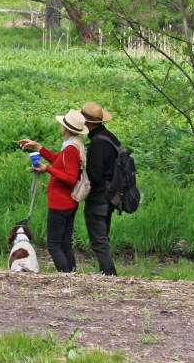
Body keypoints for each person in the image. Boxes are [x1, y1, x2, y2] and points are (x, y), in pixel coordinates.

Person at [17, 109, 87, 273]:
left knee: (54, 245)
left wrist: (46, 168)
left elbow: (70, 177)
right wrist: (38, 147)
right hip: (67, 202)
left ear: (66, 129)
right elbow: (58, 161)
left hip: (61, 204)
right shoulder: (73, 145)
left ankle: (65, 275)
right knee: (64, 243)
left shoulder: (70, 149)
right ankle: (72, 274)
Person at [80, 101, 121, 276]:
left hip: (99, 199)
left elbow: (95, 176)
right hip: (111, 196)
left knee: (99, 242)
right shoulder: (110, 137)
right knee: (103, 238)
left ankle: (110, 276)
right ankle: (109, 275)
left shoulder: (98, 143)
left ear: (87, 123)